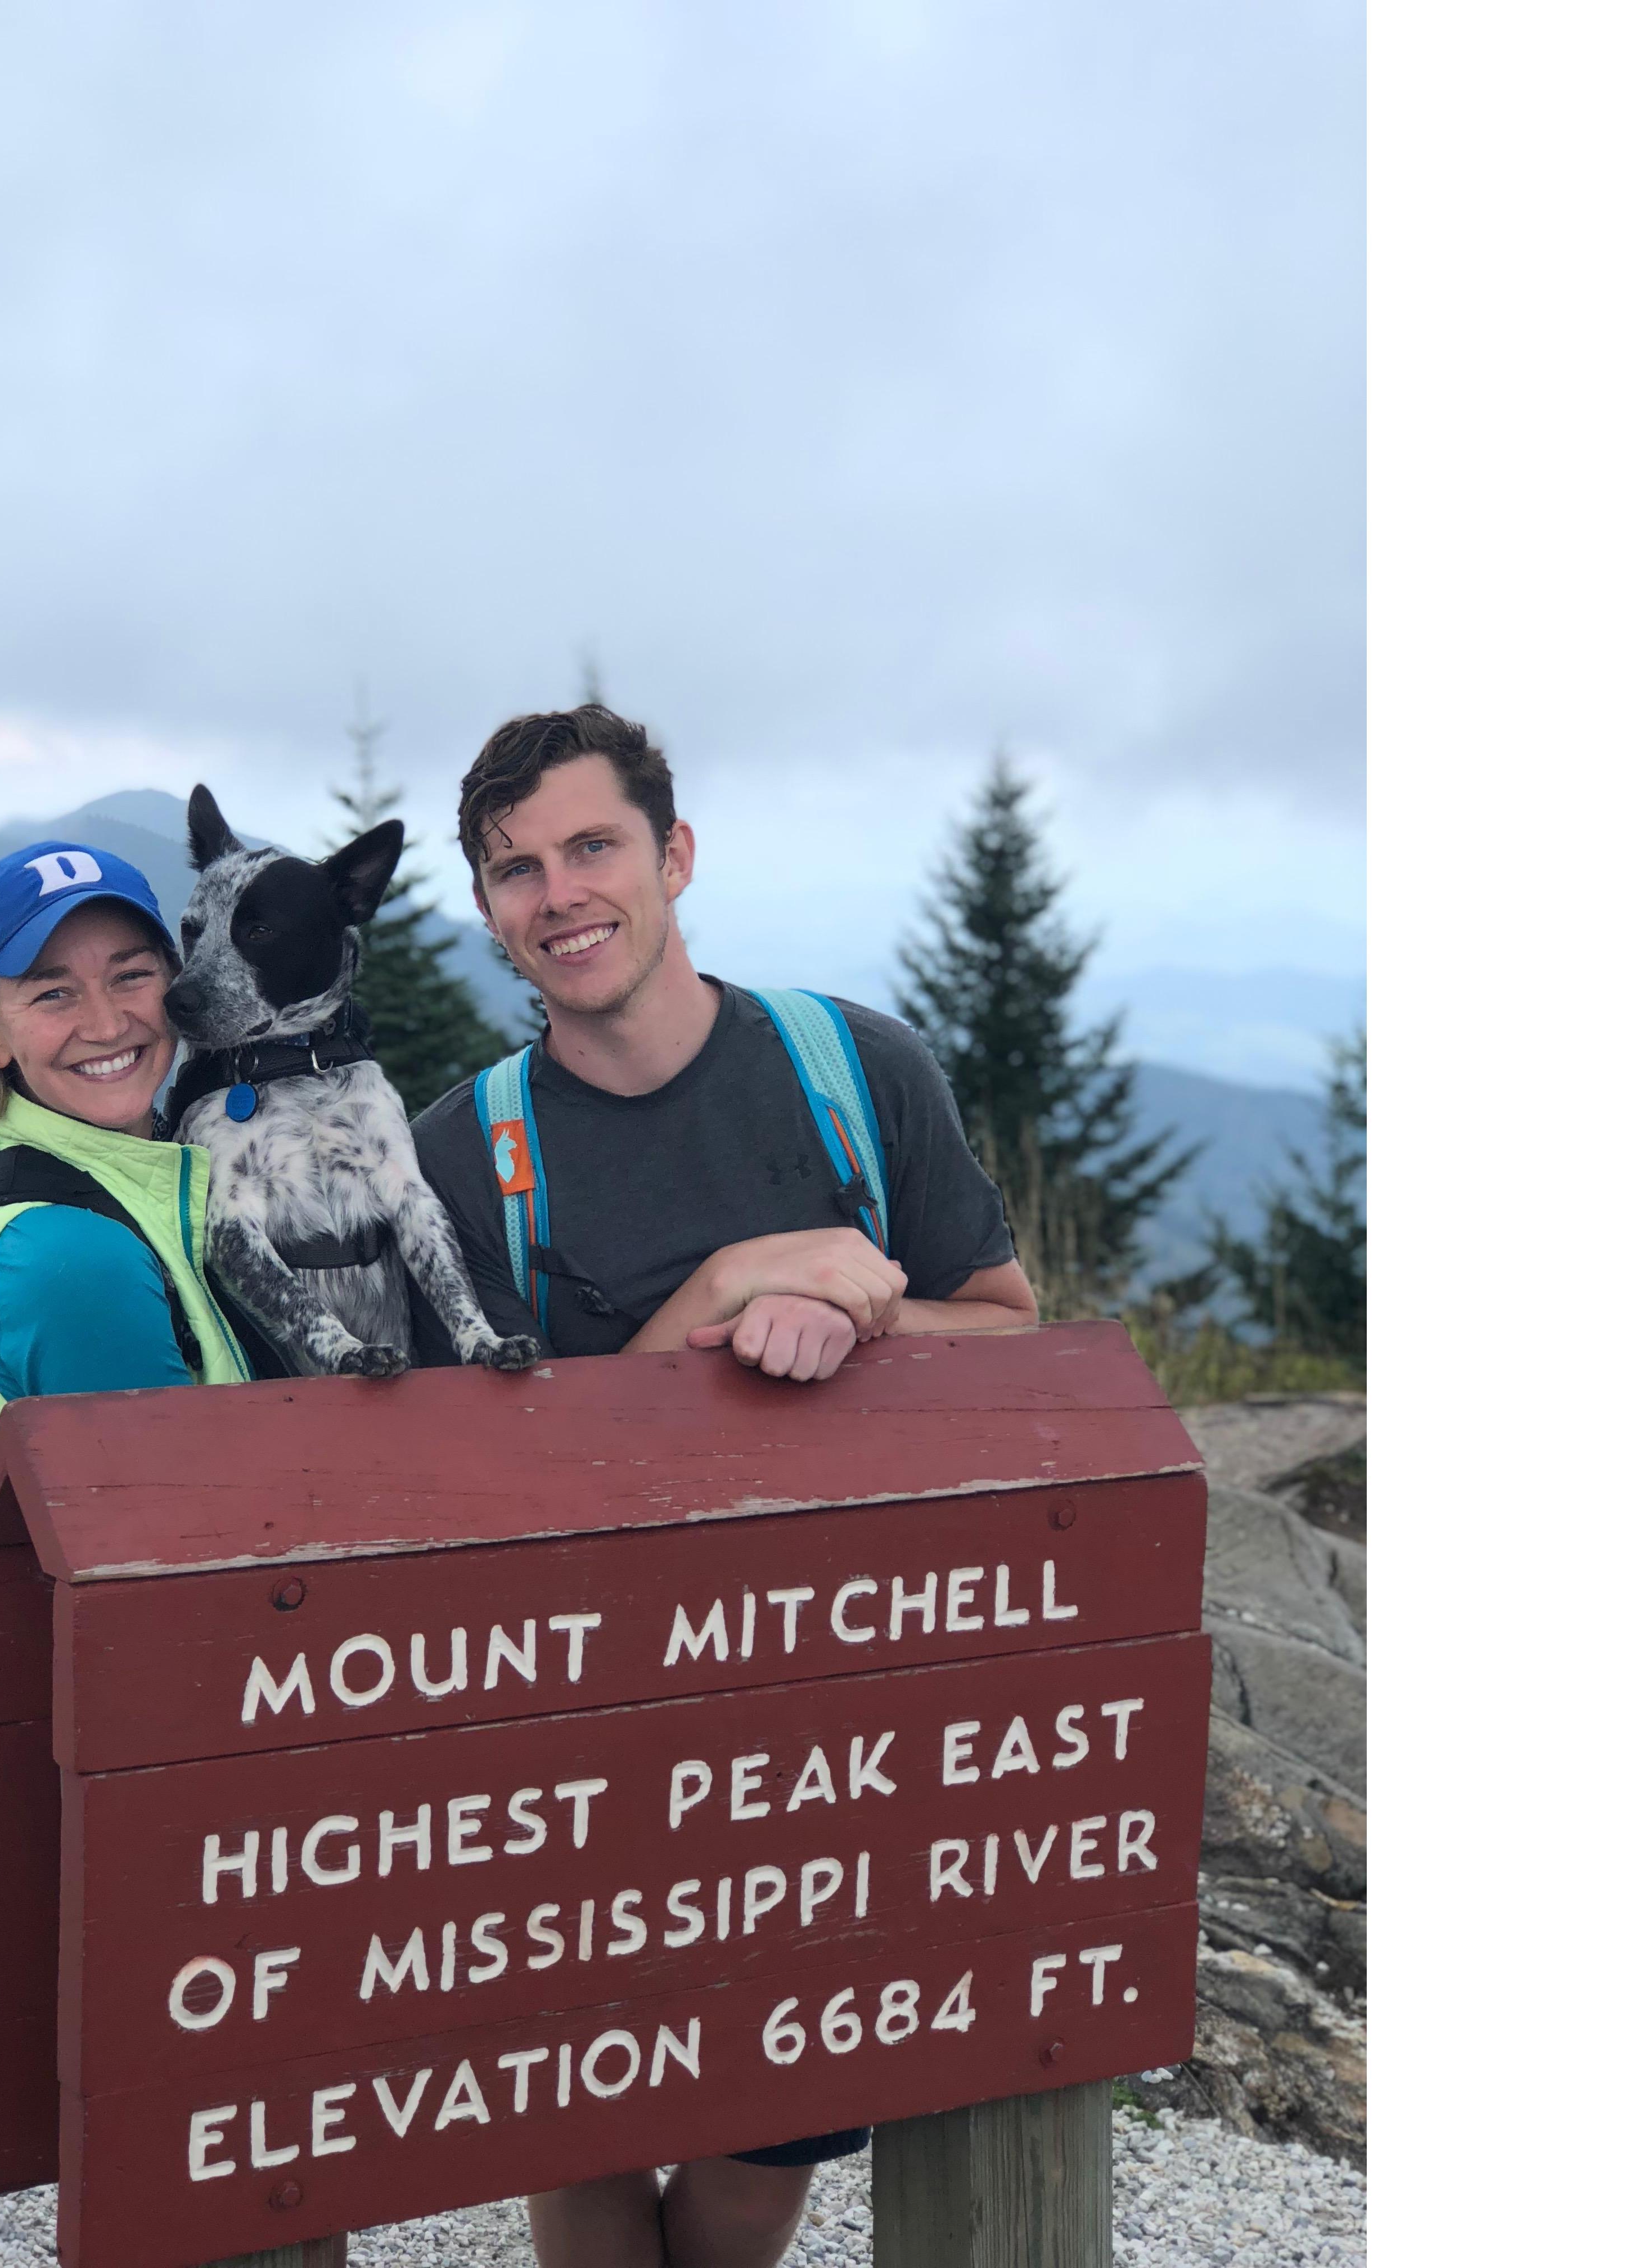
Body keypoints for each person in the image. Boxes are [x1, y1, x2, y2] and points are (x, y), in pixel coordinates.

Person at [407, 707, 1038, 2268]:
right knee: (582, 2126)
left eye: (592, 847)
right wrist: (727, 1291)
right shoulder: (462, 1152)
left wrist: (861, 1317)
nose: (558, 895)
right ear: (489, 909)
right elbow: (466, 1469)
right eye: (515, 871)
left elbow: (1019, 1337)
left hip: (829, 1724)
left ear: (674, 856)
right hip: (574, 1726)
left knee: (774, 2142)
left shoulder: (850, 1070)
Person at [0, 838, 254, 1457]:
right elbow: (179, 1522)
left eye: (131, 976)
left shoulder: (128, 1183)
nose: (108, 1025)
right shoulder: (71, 1257)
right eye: (53, 993)